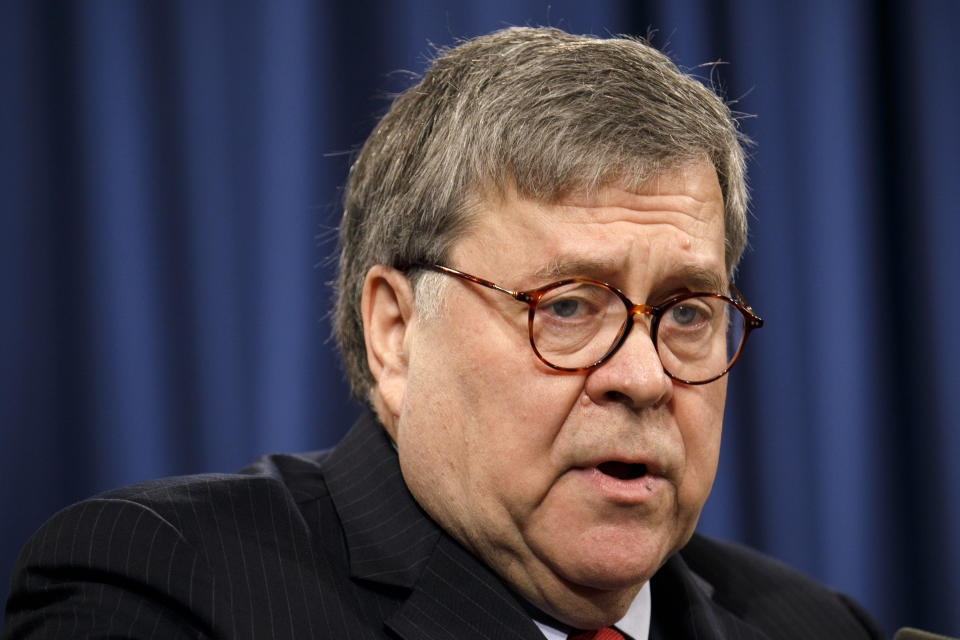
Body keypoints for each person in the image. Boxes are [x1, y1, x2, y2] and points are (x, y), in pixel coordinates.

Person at [3, 27, 882, 639]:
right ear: (395, 333)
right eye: (569, 305)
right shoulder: (166, 589)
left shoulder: (818, 626)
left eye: (687, 311)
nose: (644, 378)